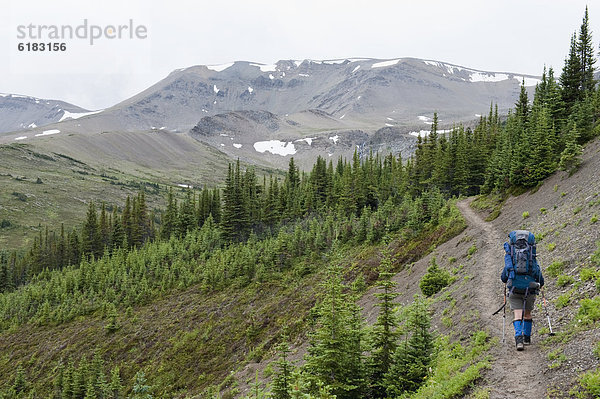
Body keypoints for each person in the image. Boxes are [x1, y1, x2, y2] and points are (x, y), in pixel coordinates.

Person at [500, 231, 544, 351]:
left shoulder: (511, 258)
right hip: (530, 289)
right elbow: (538, 273)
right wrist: (541, 283)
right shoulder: (531, 258)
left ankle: (518, 340)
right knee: (527, 314)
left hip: (514, 289)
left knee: (517, 314)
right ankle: (527, 338)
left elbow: (504, 277)